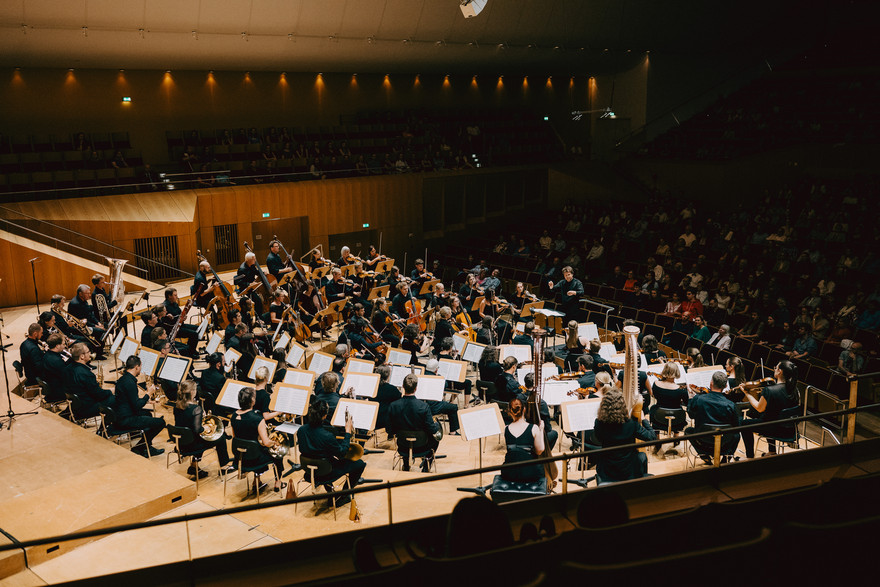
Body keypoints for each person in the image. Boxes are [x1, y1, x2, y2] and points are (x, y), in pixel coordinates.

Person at [296, 399, 365, 502]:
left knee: (324, 459)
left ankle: (330, 492)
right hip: (325, 472)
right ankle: (343, 496)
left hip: (309, 471)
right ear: (324, 416)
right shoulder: (327, 436)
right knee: (359, 464)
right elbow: (342, 453)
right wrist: (347, 433)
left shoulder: (301, 430)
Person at [592, 389, 656, 483]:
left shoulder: (599, 423)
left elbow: (597, 440)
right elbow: (652, 437)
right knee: (642, 456)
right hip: (629, 470)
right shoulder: (631, 424)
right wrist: (644, 420)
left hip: (608, 469)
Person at [740, 361, 800, 458]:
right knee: (769, 415)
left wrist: (747, 393)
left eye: (776, 367)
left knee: (744, 423)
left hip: (775, 429)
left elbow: (759, 408)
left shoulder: (769, 390)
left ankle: (750, 456)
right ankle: (772, 451)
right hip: (790, 430)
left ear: (780, 371)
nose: (774, 369)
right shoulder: (794, 390)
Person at [231, 386, 286, 492]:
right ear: (252, 401)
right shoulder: (258, 419)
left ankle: (257, 481)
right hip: (255, 458)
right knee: (278, 452)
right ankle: (278, 483)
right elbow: (266, 443)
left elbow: (235, 437)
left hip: (240, 457)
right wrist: (275, 443)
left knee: (253, 446)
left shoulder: (233, 416)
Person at [386, 374, 443, 472]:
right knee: (435, 440)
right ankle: (426, 467)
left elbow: (389, 430)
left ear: (403, 387)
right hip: (422, 446)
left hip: (403, 446)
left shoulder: (393, 405)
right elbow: (432, 429)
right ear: (416, 388)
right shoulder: (423, 406)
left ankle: (406, 464)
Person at [114, 355, 166, 457]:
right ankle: (140, 447)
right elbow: (136, 406)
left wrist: (146, 401)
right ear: (136, 367)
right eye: (140, 367)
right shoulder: (130, 383)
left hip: (120, 413)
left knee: (148, 414)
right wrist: (148, 394)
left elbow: (130, 400)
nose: (140, 370)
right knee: (160, 423)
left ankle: (146, 446)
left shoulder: (123, 379)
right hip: (126, 419)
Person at [686, 371, 741, 463]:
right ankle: (726, 458)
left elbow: (691, 415)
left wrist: (691, 399)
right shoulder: (730, 404)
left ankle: (705, 456)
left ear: (711, 383)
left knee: (688, 431)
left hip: (703, 442)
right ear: (725, 386)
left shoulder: (699, 399)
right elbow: (736, 426)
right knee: (736, 435)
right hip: (723, 444)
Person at [500, 398, 546, 483]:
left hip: (509, 473)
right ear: (524, 409)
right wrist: (541, 430)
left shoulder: (506, 429)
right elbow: (540, 450)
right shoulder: (534, 428)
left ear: (510, 411)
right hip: (529, 473)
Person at [66, 342, 114, 419]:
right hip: (86, 408)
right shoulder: (86, 374)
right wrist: (111, 391)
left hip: (75, 405)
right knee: (116, 398)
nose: (90, 353)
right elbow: (99, 395)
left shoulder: (68, 368)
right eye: (88, 352)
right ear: (82, 356)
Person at [646, 362, 689, 440]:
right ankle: (676, 436)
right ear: (676, 372)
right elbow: (687, 404)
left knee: (653, 408)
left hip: (659, 417)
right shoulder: (681, 389)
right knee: (679, 410)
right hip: (676, 420)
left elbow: (655, 396)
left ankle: (657, 436)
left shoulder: (656, 384)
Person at [516, 373, 558, 450]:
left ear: (525, 384)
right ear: (537, 385)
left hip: (520, 433)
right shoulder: (541, 403)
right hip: (536, 436)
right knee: (554, 433)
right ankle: (543, 454)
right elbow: (548, 428)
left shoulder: (518, 398)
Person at [423, 359, 461, 436]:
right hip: (434, 406)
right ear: (436, 369)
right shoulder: (438, 378)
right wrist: (439, 376)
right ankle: (453, 432)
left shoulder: (421, 375)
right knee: (453, 407)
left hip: (422, 405)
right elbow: (446, 385)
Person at [370, 365, 402, 431]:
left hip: (372, 418)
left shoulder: (371, 386)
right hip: (385, 421)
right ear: (387, 376)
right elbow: (400, 401)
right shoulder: (392, 389)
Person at [40, 333, 68, 402]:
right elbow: (66, 376)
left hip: (52, 386)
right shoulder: (56, 360)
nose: (65, 346)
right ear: (57, 346)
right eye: (63, 344)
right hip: (58, 391)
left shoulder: (47, 354)